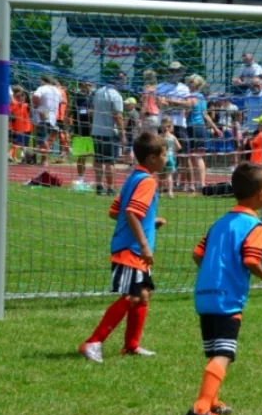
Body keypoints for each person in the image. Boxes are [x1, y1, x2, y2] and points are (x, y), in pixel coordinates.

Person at [185, 162, 262, 415]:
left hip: (204, 295)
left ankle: (211, 400)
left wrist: (214, 272)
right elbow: (250, 260)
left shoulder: (220, 222)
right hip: (227, 299)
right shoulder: (254, 226)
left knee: (214, 350)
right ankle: (200, 410)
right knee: (224, 353)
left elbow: (197, 253)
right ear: (260, 194)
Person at [78, 132, 168, 363]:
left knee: (143, 295)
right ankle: (93, 342)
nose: (167, 159)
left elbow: (115, 211)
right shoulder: (147, 181)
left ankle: (131, 346)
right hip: (132, 249)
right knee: (133, 297)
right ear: (151, 158)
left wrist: (150, 221)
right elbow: (129, 213)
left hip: (131, 247)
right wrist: (145, 245)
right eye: (164, 154)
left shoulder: (133, 177)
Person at [157, 62, 194, 190]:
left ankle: (190, 185)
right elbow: (161, 104)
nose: (175, 73)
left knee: (185, 156)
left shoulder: (184, 88)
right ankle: (164, 185)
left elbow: (189, 105)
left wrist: (171, 101)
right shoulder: (161, 86)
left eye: (178, 71)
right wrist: (180, 103)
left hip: (179, 124)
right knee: (162, 154)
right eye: (173, 71)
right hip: (164, 125)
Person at [91, 72, 126, 196]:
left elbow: (93, 110)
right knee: (110, 162)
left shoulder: (98, 92)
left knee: (99, 160)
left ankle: (99, 186)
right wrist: (122, 133)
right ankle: (110, 188)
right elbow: (117, 115)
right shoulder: (116, 96)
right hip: (110, 132)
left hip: (96, 131)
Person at [32, 75, 62, 166]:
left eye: (40, 81)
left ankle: (46, 157)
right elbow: (62, 101)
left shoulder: (42, 88)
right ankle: (44, 160)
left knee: (41, 139)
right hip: (52, 117)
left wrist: (36, 105)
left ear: (43, 81)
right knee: (45, 138)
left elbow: (35, 96)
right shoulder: (56, 90)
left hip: (43, 115)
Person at [70, 82, 94, 182]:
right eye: (86, 85)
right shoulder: (77, 96)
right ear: (81, 86)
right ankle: (80, 178)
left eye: (90, 85)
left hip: (93, 130)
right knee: (81, 155)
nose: (88, 87)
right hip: (80, 130)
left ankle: (97, 179)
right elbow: (74, 111)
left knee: (95, 155)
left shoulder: (94, 96)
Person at [159, 117, 181, 198]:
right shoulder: (173, 137)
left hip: (162, 157)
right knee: (169, 176)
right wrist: (173, 150)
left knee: (161, 175)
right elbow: (179, 147)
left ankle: (160, 192)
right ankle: (170, 192)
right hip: (171, 156)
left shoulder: (159, 137)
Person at [9, 86, 32, 163]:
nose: (20, 97)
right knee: (17, 143)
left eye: (22, 96)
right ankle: (12, 155)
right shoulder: (14, 105)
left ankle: (23, 157)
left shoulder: (26, 105)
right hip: (17, 128)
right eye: (18, 96)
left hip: (26, 128)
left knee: (23, 144)